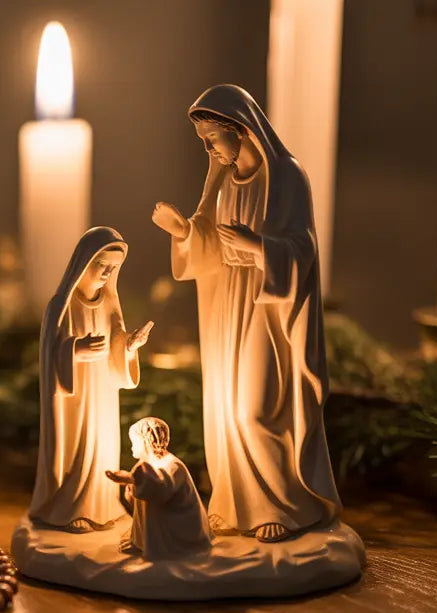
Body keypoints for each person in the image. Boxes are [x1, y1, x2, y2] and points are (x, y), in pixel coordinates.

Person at [150, 84, 341, 542]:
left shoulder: (286, 176)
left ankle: (283, 505)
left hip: (268, 304)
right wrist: (183, 232)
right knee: (224, 406)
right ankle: (237, 503)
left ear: (241, 130)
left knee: (257, 407)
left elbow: (303, 249)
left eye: (213, 138)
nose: (210, 149)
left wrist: (258, 247)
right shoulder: (220, 180)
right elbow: (210, 244)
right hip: (228, 301)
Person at [29, 227, 152, 531]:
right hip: (74, 397)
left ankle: (102, 505)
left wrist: (128, 346)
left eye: (114, 268)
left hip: (102, 392)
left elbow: (116, 342)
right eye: (102, 265)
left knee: (102, 446)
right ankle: (72, 508)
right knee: (78, 447)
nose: (108, 273)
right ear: (84, 262)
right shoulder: (61, 305)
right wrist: (74, 349)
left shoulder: (110, 302)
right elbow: (48, 357)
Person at [106, 417, 212, 560]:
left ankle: (158, 547)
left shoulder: (172, 465)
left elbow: (161, 489)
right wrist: (131, 483)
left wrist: (132, 479)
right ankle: (141, 542)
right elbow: (144, 487)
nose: (132, 447)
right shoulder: (146, 464)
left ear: (148, 440)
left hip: (177, 530)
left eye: (134, 442)